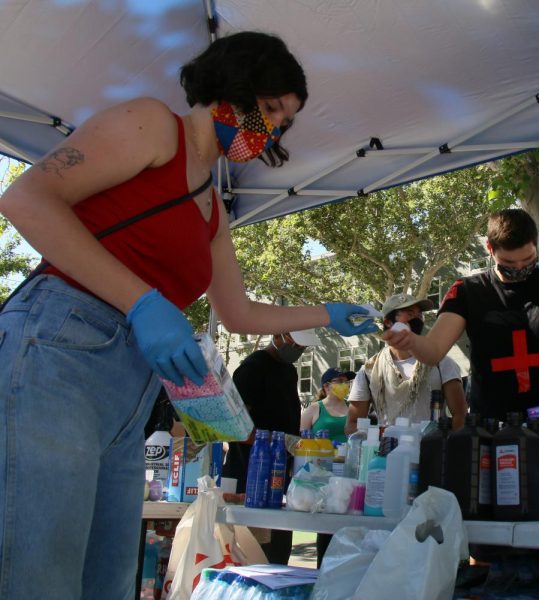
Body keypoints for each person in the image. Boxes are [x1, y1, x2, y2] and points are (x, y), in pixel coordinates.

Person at [0, 32, 378, 599]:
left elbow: (239, 312)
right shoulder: (153, 124)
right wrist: (143, 300)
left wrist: (327, 312)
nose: (272, 129)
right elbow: (25, 200)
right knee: (39, 569)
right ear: (235, 84)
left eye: (285, 122)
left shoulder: (213, 207)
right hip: (60, 342)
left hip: (131, 386)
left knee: (106, 578)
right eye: (271, 108)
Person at [383, 209, 539, 443]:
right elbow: (433, 352)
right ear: (491, 250)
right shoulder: (467, 291)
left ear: (537, 245)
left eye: (529, 263)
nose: (520, 271)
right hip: (492, 425)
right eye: (509, 265)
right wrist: (412, 341)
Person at [221, 331, 308, 564]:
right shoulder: (253, 368)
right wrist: (278, 441)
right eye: (295, 343)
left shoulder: (289, 371)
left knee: (278, 555)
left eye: (303, 346)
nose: (299, 349)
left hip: (278, 479)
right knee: (255, 557)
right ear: (278, 336)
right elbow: (235, 427)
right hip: (249, 478)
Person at [346, 293, 467, 433]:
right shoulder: (369, 369)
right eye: (409, 313)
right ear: (388, 322)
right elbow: (353, 423)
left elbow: (460, 414)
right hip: (387, 450)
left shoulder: (441, 362)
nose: (417, 318)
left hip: (431, 448)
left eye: (419, 314)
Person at [302, 367, 354, 443]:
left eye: (346, 382)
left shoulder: (353, 408)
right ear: (326, 386)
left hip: (349, 454)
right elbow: (301, 441)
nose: (345, 385)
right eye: (340, 381)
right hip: (321, 454)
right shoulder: (313, 408)